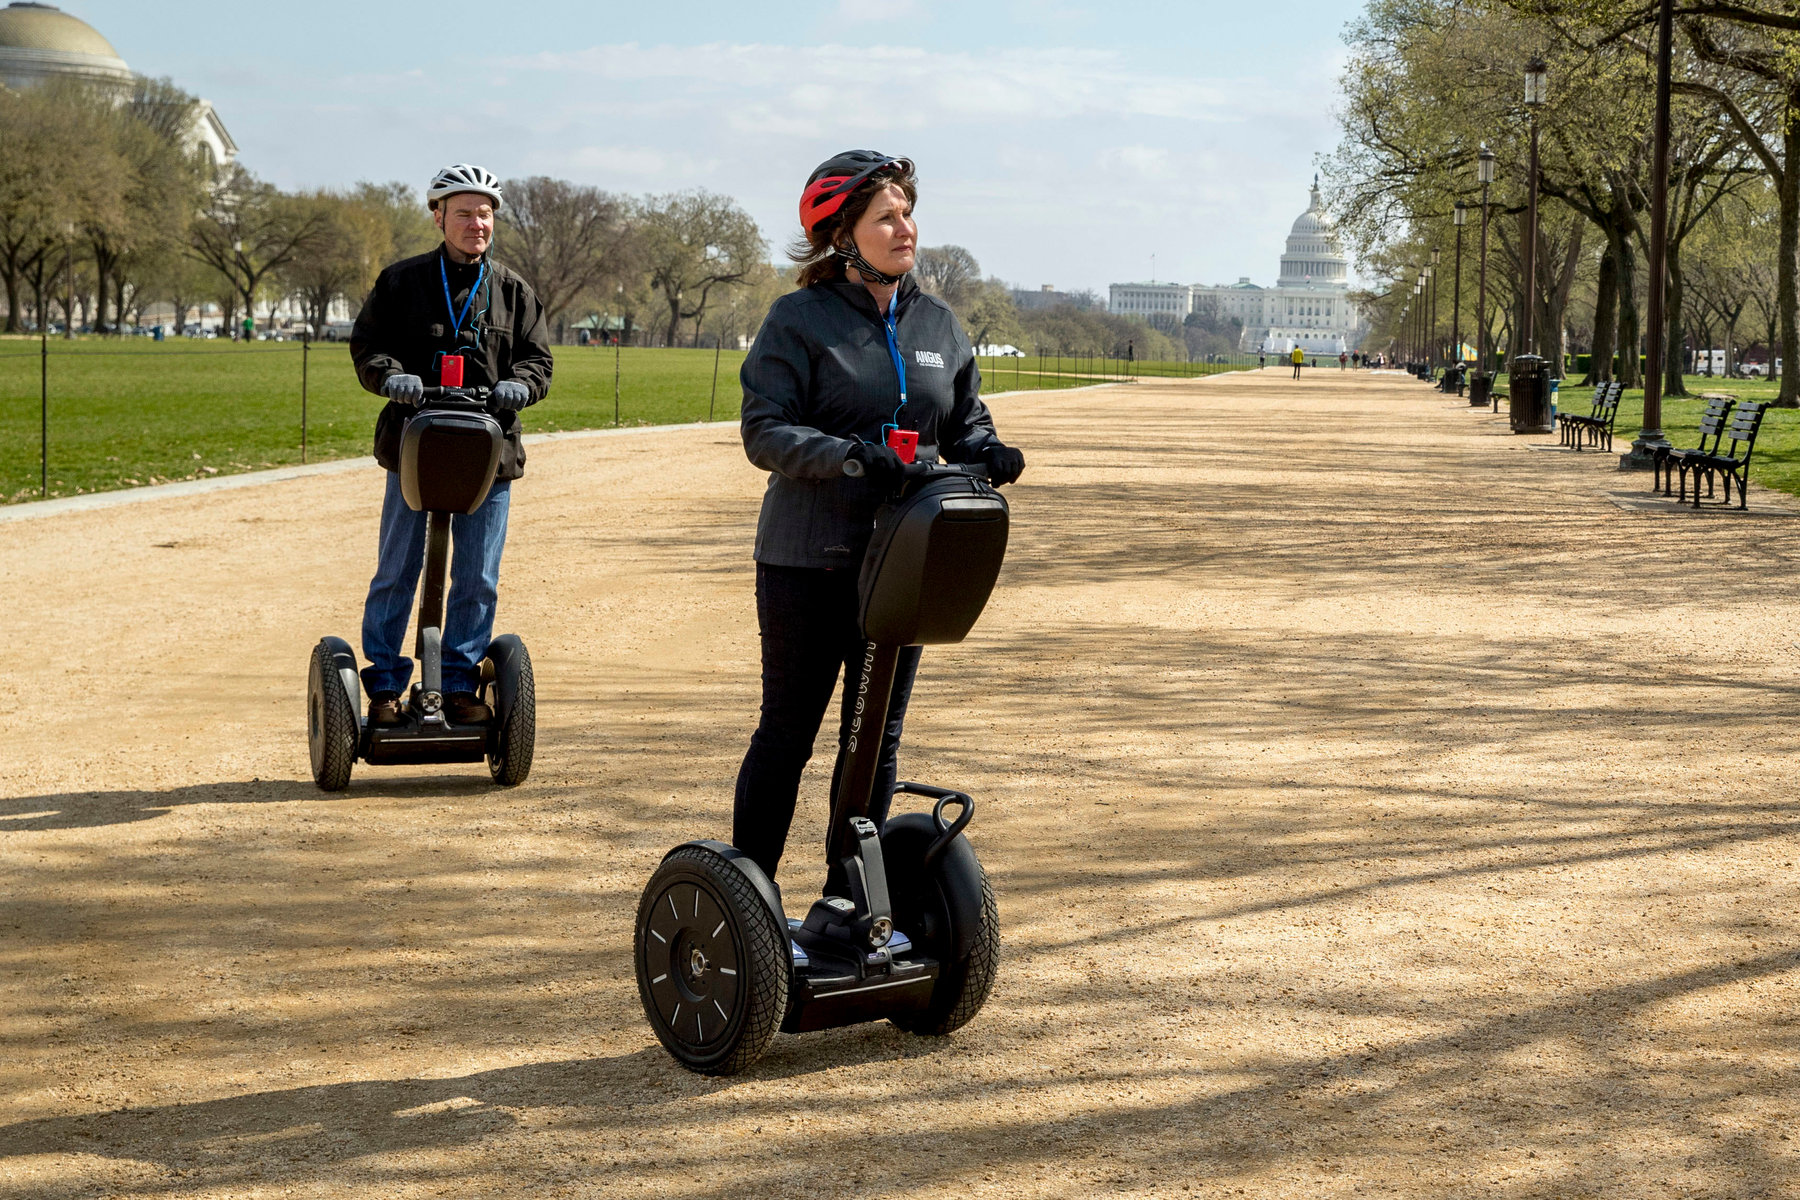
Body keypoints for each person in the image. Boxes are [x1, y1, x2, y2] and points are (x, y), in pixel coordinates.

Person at [734, 150, 1025, 887]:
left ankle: (848, 900)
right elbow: (765, 432)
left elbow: (964, 421)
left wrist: (987, 451)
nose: (906, 228)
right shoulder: (799, 320)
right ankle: (751, 900)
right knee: (788, 734)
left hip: (904, 562)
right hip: (808, 560)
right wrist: (851, 458)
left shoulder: (939, 323)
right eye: (886, 217)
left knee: (874, 739)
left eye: (908, 213)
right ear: (843, 235)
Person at [349, 163, 553, 727]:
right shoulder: (401, 282)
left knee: (478, 576)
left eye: (484, 214)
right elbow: (368, 346)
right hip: (414, 447)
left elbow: (538, 361)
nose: (476, 223)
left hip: (490, 454)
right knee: (397, 568)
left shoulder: (513, 291)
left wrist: (521, 384)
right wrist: (391, 375)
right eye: (464, 213)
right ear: (438, 217)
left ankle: (461, 683)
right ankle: (386, 685)